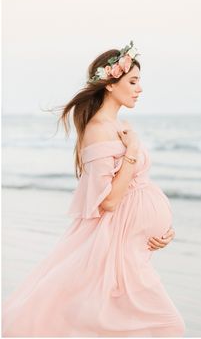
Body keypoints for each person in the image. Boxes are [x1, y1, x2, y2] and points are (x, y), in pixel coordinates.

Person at [2, 41, 185, 337]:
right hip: (116, 250)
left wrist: (161, 231)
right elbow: (109, 201)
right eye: (133, 81)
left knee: (142, 328)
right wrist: (133, 149)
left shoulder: (118, 126)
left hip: (133, 247)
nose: (139, 89)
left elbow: (137, 189)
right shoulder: (100, 129)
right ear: (110, 84)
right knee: (167, 326)